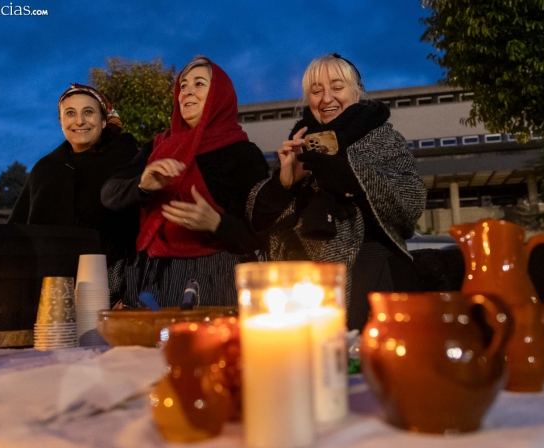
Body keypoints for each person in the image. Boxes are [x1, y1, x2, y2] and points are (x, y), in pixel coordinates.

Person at [247, 54, 426, 330]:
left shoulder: (383, 138)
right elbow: (258, 220)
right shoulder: (300, 143)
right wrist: (284, 183)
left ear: (357, 91)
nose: (326, 98)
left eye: (337, 87)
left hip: (374, 274)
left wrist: (347, 175)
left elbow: (412, 200)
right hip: (303, 286)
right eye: (316, 91)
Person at [101, 57, 269, 308]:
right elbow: (109, 195)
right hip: (152, 278)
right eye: (183, 85)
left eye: (199, 84)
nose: (187, 91)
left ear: (219, 95)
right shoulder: (157, 147)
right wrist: (142, 184)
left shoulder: (243, 154)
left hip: (216, 281)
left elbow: (261, 234)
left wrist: (216, 223)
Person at [9, 84, 140, 302]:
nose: (79, 121)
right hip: (53, 287)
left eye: (88, 112)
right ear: (61, 122)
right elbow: (20, 230)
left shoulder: (125, 159)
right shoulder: (46, 169)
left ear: (104, 120)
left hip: (115, 282)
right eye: (70, 113)